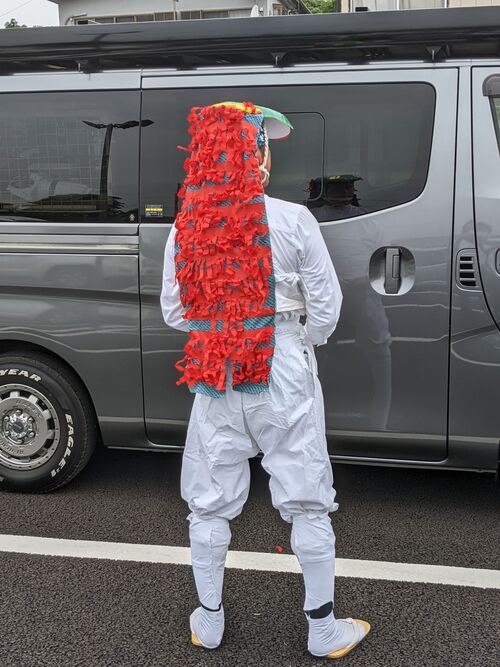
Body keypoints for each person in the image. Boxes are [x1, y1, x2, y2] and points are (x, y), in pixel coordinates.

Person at [161, 102, 370, 659]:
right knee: (306, 501)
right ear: (254, 155)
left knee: (209, 503)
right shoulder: (293, 219)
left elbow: (174, 313)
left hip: (215, 369)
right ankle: (322, 629)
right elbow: (326, 307)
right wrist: (301, 341)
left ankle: (209, 622)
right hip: (282, 366)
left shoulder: (185, 225)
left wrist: (220, 323)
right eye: (265, 148)